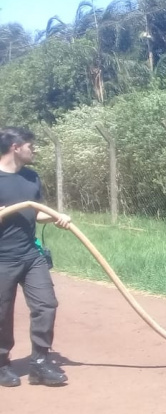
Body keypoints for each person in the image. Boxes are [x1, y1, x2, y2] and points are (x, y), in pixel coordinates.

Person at [0, 127, 72, 387]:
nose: (35, 149)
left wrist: (57, 218)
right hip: (2, 259)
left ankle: (40, 362)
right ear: (15, 147)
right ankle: (1, 363)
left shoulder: (31, 177)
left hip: (31, 254)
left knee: (46, 304)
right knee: (2, 312)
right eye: (31, 145)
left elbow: (35, 212)